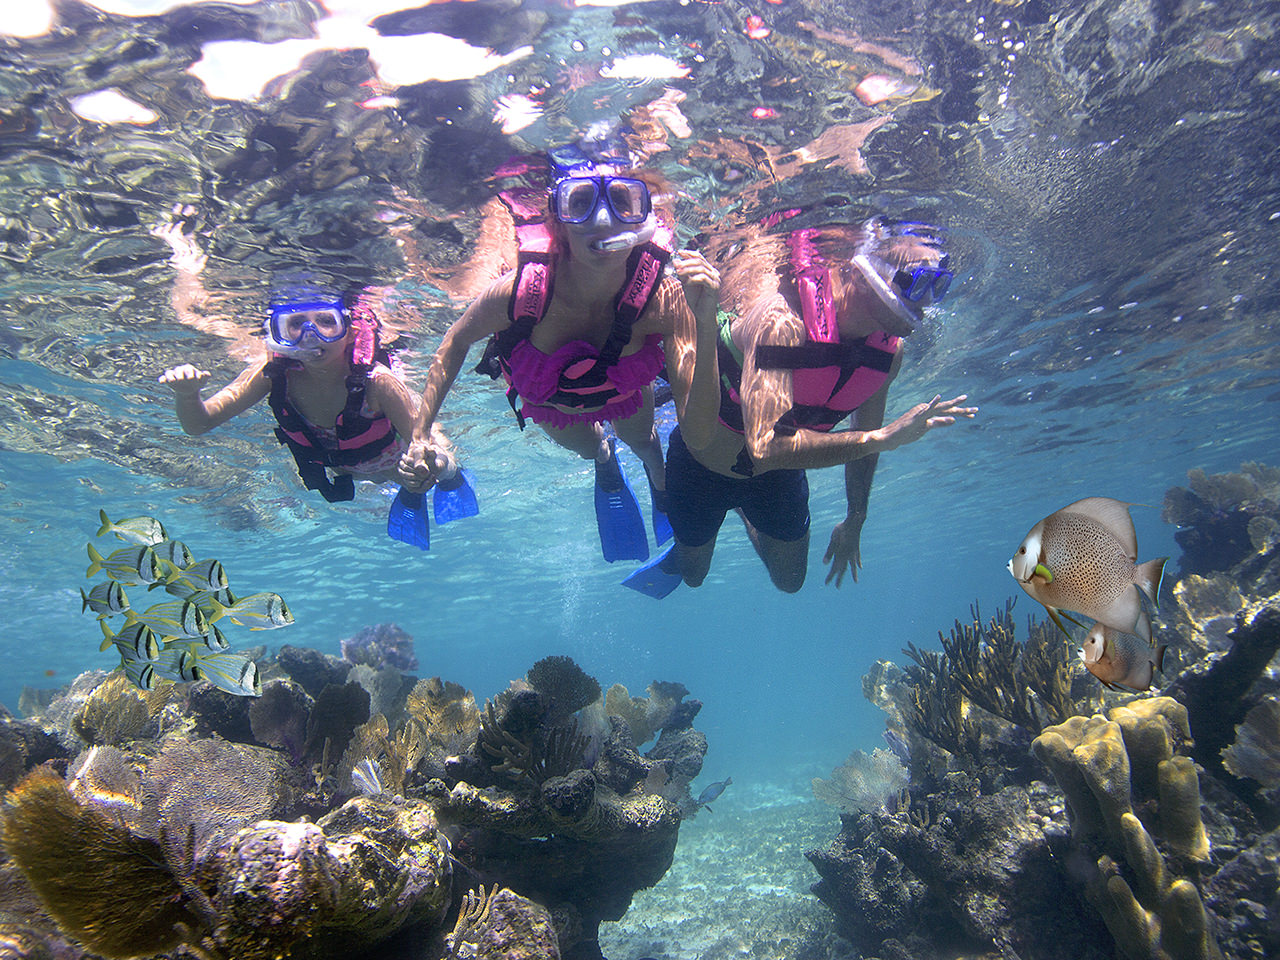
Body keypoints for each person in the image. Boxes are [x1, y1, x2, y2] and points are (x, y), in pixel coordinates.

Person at [396, 145, 721, 562]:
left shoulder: (663, 299)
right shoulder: (520, 293)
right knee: (590, 448)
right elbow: (455, 342)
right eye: (580, 203)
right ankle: (604, 461)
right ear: (557, 221)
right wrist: (420, 433)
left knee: (642, 440)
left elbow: (700, 433)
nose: (602, 219)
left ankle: (658, 482)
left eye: (622, 202)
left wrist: (706, 321)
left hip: (625, 394)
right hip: (554, 405)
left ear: (643, 218)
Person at [623, 217, 977, 597]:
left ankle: (742, 512)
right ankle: (657, 471)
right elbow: (768, 445)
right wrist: (883, 438)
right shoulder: (781, 320)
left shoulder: (889, 355)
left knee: (790, 581)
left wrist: (855, 518)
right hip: (702, 468)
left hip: (777, 476)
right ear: (861, 272)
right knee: (694, 575)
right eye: (916, 282)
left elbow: (863, 438)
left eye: (938, 287)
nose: (925, 301)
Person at [158, 284, 472, 548]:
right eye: (295, 324)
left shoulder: (378, 383)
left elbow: (419, 439)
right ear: (279, 333)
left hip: (392, 466)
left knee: (432, 456)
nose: (311, 335)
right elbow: (199, 424)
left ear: (349, 332)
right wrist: (188, 395)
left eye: (325, 321)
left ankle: (449, 472)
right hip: (342, 469)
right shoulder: (273, 375)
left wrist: (426, 466)